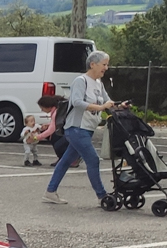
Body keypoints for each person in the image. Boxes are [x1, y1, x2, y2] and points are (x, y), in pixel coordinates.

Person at [45, 50, 125, 205]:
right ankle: (102, 196)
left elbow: (108, 102)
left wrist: (119, 105)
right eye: (104, 64)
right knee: (93, 160)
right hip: (76, 128)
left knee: (66, 160)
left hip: (87, 129)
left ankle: (50, 191)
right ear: (92, 64)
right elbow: (76, 102)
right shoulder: (81, 81)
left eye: (107, 64)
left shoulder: (98, 83)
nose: (106, 68)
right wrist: (101, 107)